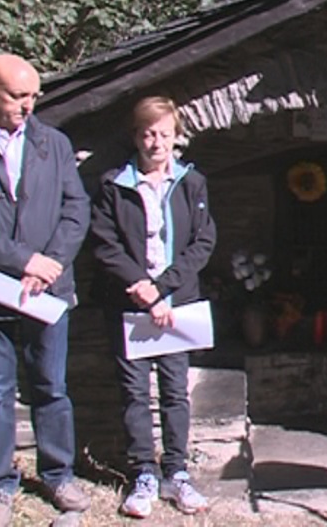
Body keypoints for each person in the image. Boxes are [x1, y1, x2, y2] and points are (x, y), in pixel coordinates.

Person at [0, 53, 92, 526]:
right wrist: (21, 259)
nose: (28, 105)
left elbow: (77, 209)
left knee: (52, 387)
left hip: (46, 290)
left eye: (33, 95)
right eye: (17, 95)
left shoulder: (52, 142)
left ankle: (58, 474)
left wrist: (48, 265)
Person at [89, 96, 216, 518]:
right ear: (136, 137)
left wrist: (163, 290)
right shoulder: (114, 185)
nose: (155, 142)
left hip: (176, 305)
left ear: (176, 137)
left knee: (175, 392)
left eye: (164, 133)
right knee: (134, 393)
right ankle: (143, 472)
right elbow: (105, 244)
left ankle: (176, 472)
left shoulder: (191, 183)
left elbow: (203, 242)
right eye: (148, 134)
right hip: (129, 304)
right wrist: (140, 288)